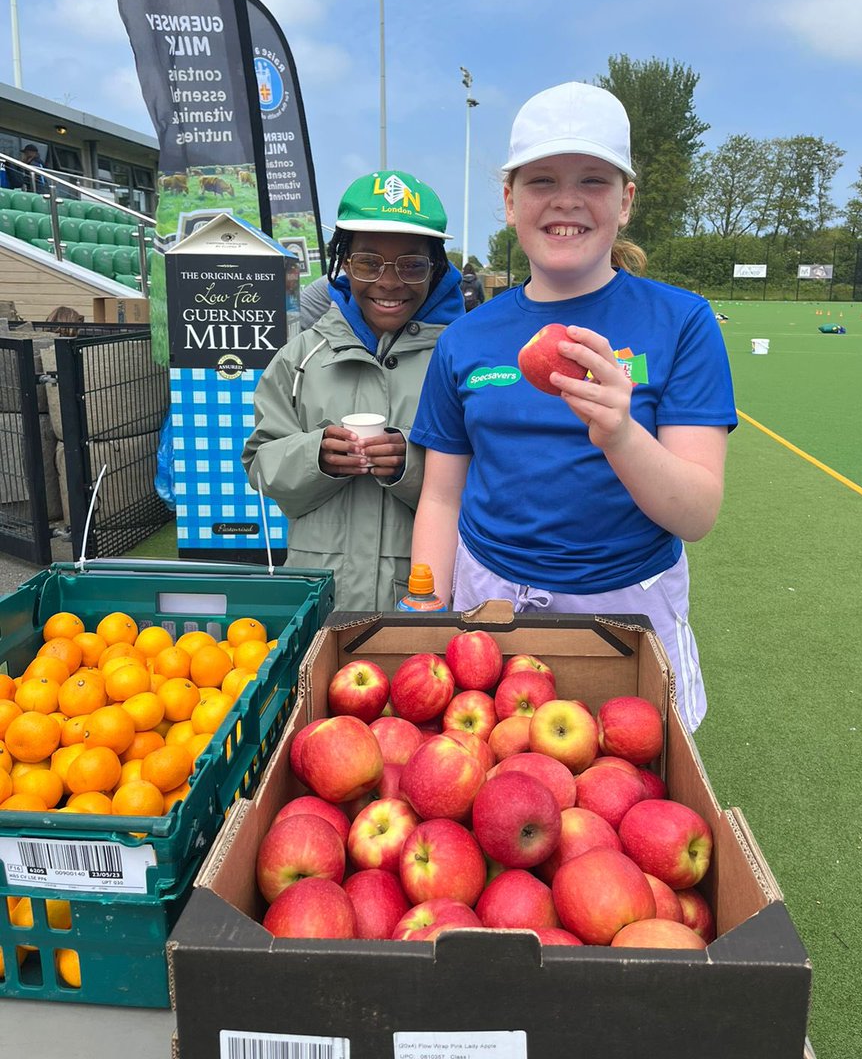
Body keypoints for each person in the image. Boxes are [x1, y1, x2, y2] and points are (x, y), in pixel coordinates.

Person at [410, 83, 737, 730]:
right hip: (489, 604)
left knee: (631, 790)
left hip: (629, 613)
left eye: (593, 179)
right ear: (509, 200)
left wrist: (620, 434)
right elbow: (442, 497)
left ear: (626, 200)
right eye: (541, 181)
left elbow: (696, 512)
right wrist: (424, 610)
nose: (566, 200)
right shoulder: (466, 338)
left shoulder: (682, 322)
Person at [242, 169, 464, 611]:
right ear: (343, 263)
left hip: (426, 597)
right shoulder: (300, 358)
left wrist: (412, 464)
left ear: (436, 268)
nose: (388, 282)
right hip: (320, 593)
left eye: (412, 265)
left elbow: (489, 478)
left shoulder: (460, 359)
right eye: (368, 263)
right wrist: (314, 456)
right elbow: (260, 464)